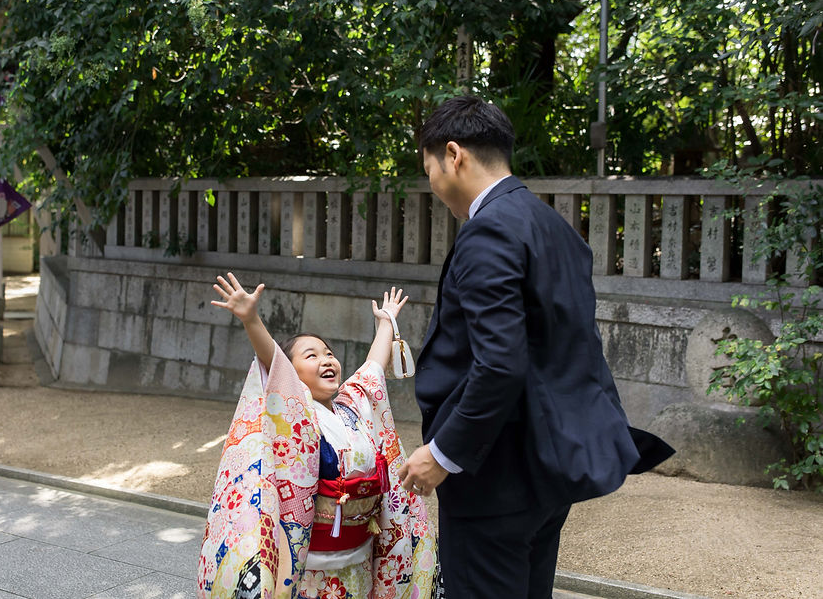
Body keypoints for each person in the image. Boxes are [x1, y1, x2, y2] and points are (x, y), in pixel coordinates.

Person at [398, 96, 672, 598]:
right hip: (546, 468)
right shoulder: (554, 227)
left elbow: (499, 364)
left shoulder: (487, 233)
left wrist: (443, 452)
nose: (432, 184)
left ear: (453, 155)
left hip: (494, 475)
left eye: (429, 169)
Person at [197, 272, 442, 599]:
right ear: (290, 372)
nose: (326, 360)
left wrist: (386, 322)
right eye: (311, 356)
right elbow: (274, 361)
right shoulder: (296, 410)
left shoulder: (352, 405)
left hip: (359, 559)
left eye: (328, 353)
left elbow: (372, 367)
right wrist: (251, 319)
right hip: (310, 564)